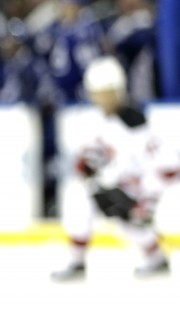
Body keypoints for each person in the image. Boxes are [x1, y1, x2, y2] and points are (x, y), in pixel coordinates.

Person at [52, 55, 179, 280]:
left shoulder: (132, 122)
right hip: (128, 188)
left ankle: (78, 260)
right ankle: (154, 258)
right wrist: (89, 165)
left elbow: (163, 166)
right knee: (91, 200)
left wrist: (147, 200)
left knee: (90, 200)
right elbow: (98, 156)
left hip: (140, 190)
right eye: (98, 92)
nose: (102, 98)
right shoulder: (105, 120)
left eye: (106, 91)